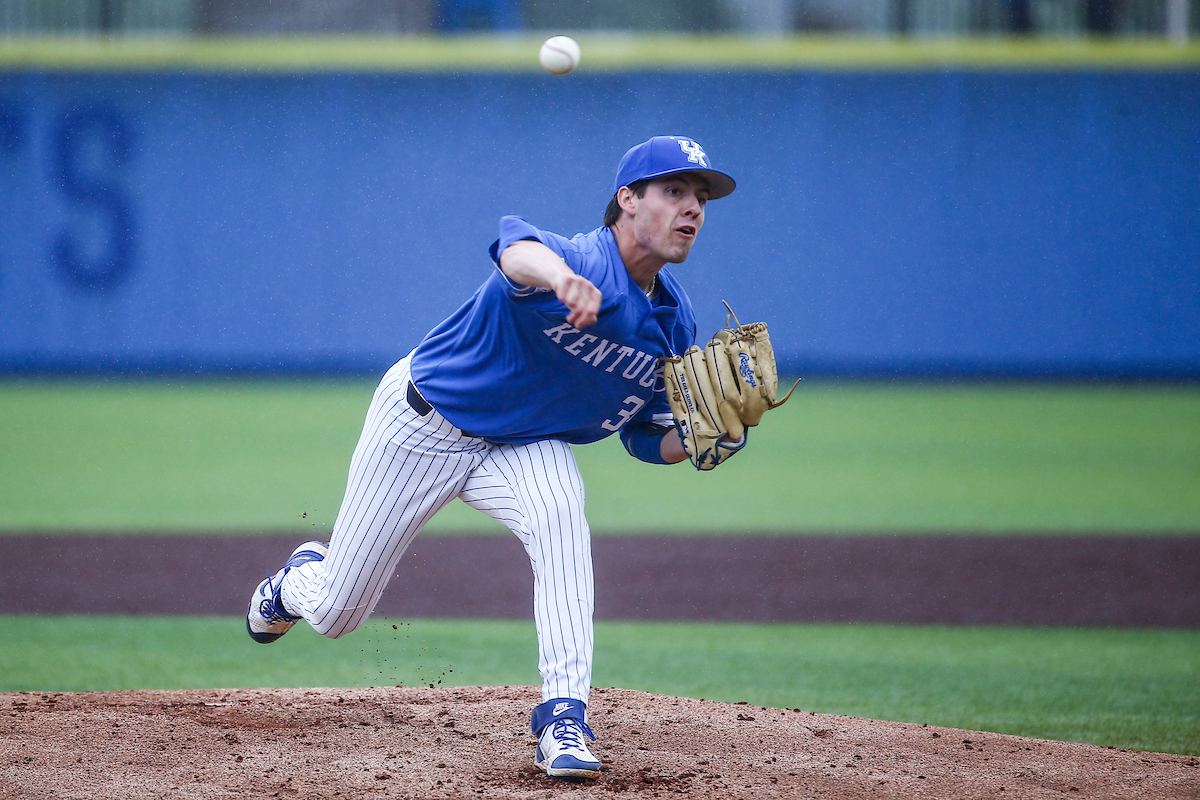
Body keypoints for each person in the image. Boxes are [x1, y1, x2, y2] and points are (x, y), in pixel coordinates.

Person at [245, 135, 739, 780]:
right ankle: (299, 580)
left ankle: (564, 719)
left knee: (562, 513)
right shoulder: (575, 258)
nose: (693, 209)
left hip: (522, 444)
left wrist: (707, 440)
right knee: (338, 613)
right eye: (674, 191)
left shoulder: (673, 322)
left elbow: (644, 434)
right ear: (627, 199)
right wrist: (562, 281)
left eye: (701, 197)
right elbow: (515, 250)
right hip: (424, 425)